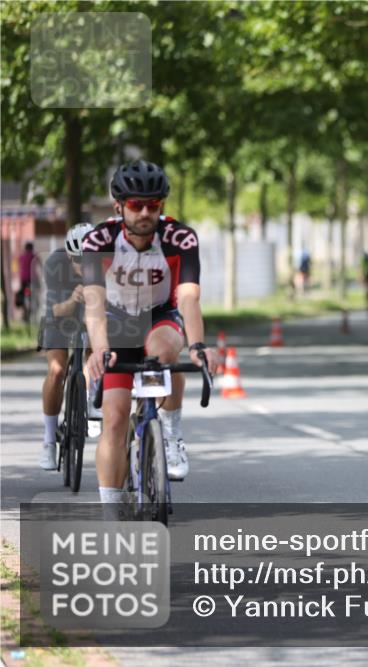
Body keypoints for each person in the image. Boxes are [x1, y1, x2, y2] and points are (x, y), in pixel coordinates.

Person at [81, 160, 220, 513]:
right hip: (117, 322)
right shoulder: (99, 240)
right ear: (119, 207)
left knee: (165, 352)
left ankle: (170, 433)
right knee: (114, 418)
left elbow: (188, 297)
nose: (145, 212)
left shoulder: (179, 238)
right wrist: (99, 349)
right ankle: (111, 514)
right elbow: (94, 302)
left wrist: (198, 346)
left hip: (160, 315)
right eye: (136, 205)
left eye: (153, 205)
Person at [37, 224, 94, 470]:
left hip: (92, 316)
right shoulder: (55, 263)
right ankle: (49, 440)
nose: (84, 265)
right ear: (69, 256)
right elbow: (56, 311)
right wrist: (73, 299)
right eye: (79, 260)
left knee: (98, 351)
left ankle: (90, 401)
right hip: (59, 317)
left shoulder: (107, 263)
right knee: (57, 370)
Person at [16, 241, 39, 323]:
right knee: (34, 295)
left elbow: (19, 265)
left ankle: (24, 313)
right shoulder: (34, 255)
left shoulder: (21, 256)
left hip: (23, 280)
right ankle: (33, 310)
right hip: (32, 279)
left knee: (23, 295)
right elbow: (40, 264)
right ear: (32, 248)